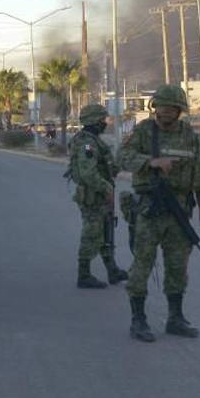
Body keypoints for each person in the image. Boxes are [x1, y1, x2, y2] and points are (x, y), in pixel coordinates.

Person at [116, 83, 200, 341]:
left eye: (171, 107)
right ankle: (139, 320)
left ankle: (175, 318)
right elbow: (122, 156)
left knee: (178, 266)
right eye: (160, 106)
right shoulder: (144, 132)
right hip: (150, 208)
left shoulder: (189, 135)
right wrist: (150, 162)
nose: (165, 111)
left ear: (180, 110)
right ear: (154, 107)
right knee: (142, 265)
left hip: (179, 209)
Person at [67, 103, 128, 289]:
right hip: (94, 196)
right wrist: (106, 189)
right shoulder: (87, 143)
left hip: (100, 195)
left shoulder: (93, 140)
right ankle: (83, 275)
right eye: (102, 119)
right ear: (94, 121)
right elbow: (88, 173)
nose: (104, 122)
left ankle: (112, 270)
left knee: (105, 232)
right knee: (91, 234)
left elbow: (108, 167)